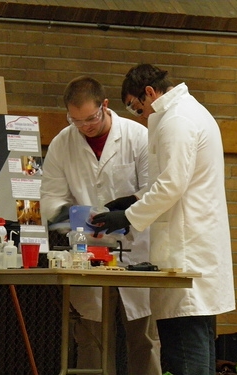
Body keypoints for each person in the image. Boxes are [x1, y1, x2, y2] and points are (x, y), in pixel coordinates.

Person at [92, 63, 236, 375]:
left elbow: (173, 184)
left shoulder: (178, 120)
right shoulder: (186, 112)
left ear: (149, 92)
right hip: (192, 247)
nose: (137, 114)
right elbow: (178, 181)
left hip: (187, 252)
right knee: (195, 351)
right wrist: (134, 199)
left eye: (135, 106)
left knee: (187, 357)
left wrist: (128, 216)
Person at [41, 76, 161, 375]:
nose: (85, 127)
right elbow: (51, 197)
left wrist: (127, 211)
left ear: (105, 106)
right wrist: (69, 214)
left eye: (91, 118)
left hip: (136, 249)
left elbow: (154, 189)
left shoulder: (138, 136)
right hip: (86, 253)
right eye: (76, 120)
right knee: (90, 341)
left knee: (143, 340)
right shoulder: (62, 143)